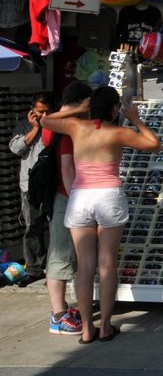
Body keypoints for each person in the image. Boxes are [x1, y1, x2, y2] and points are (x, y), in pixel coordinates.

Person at [42, 86, 161, 343]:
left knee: (84, 268)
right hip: (108, 195)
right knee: (107, 264)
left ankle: (86, 329)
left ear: (91, 107)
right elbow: (154, 144)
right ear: (115, 109)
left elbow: (45, 120)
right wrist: (136, 119)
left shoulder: (77, 127)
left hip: (80, 197)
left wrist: (78, 109)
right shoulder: (119, 132)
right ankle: (105, 326)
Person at [46, 81, 93, 335]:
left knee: (65, 257)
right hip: (68, 198)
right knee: (61, 258)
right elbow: (67, 170)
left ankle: (62, 311)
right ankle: (58, 315)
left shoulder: (61, 126)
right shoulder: (65, 130)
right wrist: (77, 200)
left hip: (66, 197)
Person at [8, 91, 54, 285]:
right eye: (39, 112)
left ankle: (53, 269)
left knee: (55, 227)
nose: (43, 115)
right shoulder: (23, 125)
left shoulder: (57, 125)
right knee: (32, 228)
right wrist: (35, 128)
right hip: (29, 185)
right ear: (32, 111)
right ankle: (34, 268)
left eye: (46, 112)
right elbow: (16, 148)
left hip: (53, 183)